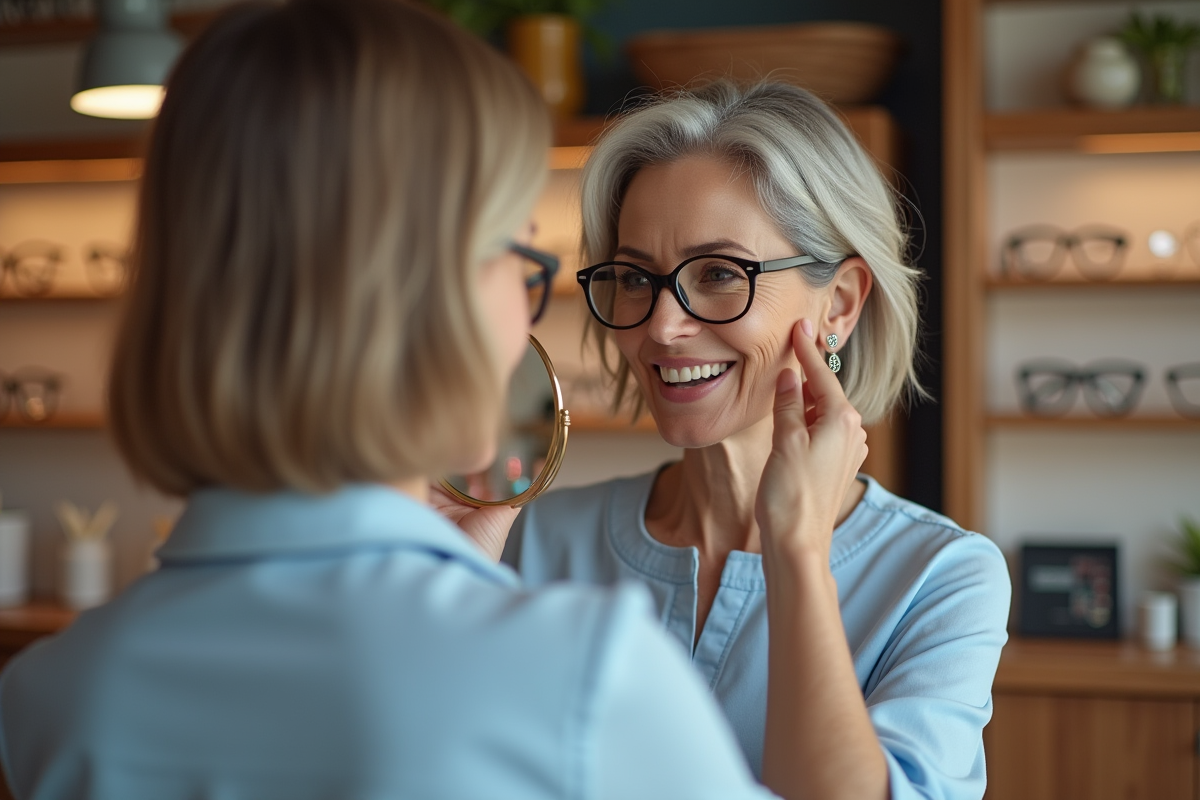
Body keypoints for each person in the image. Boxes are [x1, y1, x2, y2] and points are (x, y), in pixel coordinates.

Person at [0, 5, 808, 798]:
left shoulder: (52, 697)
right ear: (427, 294)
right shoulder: (582, 676)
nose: (664, 326)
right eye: (521, 256)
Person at [500, 81, 1012, 800]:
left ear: (838, 304)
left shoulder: (941, 578)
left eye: (717, 274)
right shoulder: (539, 540)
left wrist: (797, 549)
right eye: (635, 278)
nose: (660, 326)